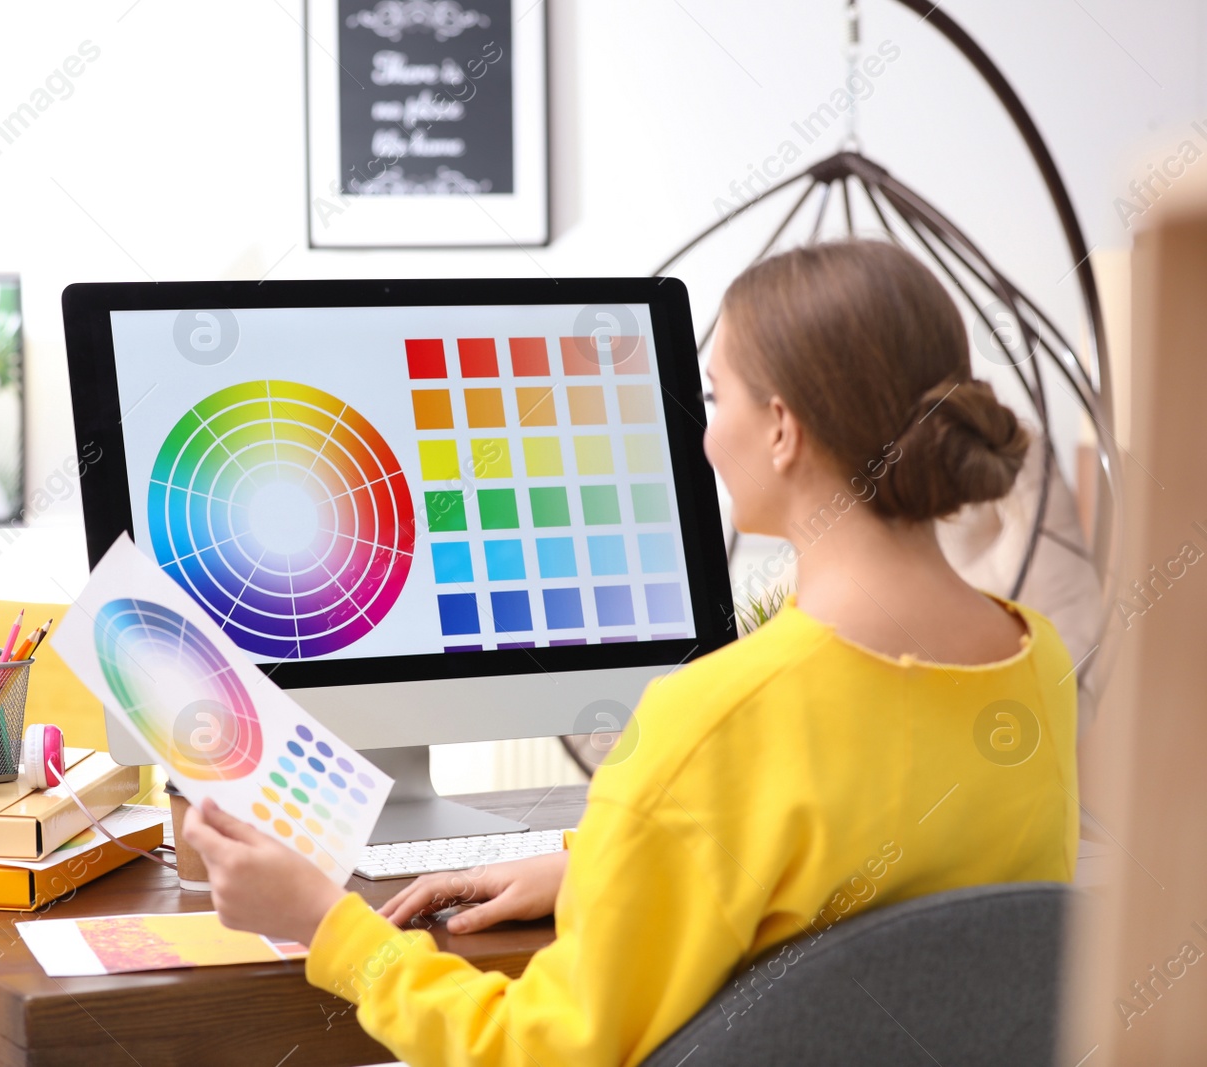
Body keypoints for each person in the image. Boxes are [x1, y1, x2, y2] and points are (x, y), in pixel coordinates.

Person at [183, 240, 1078, 1067]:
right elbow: (895, 912)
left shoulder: (711, 721)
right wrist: (606, 866)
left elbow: (543, 1051)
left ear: (781, 428)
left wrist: (325, 922)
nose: (701, 431)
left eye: (716, 394)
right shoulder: (1036, 669)